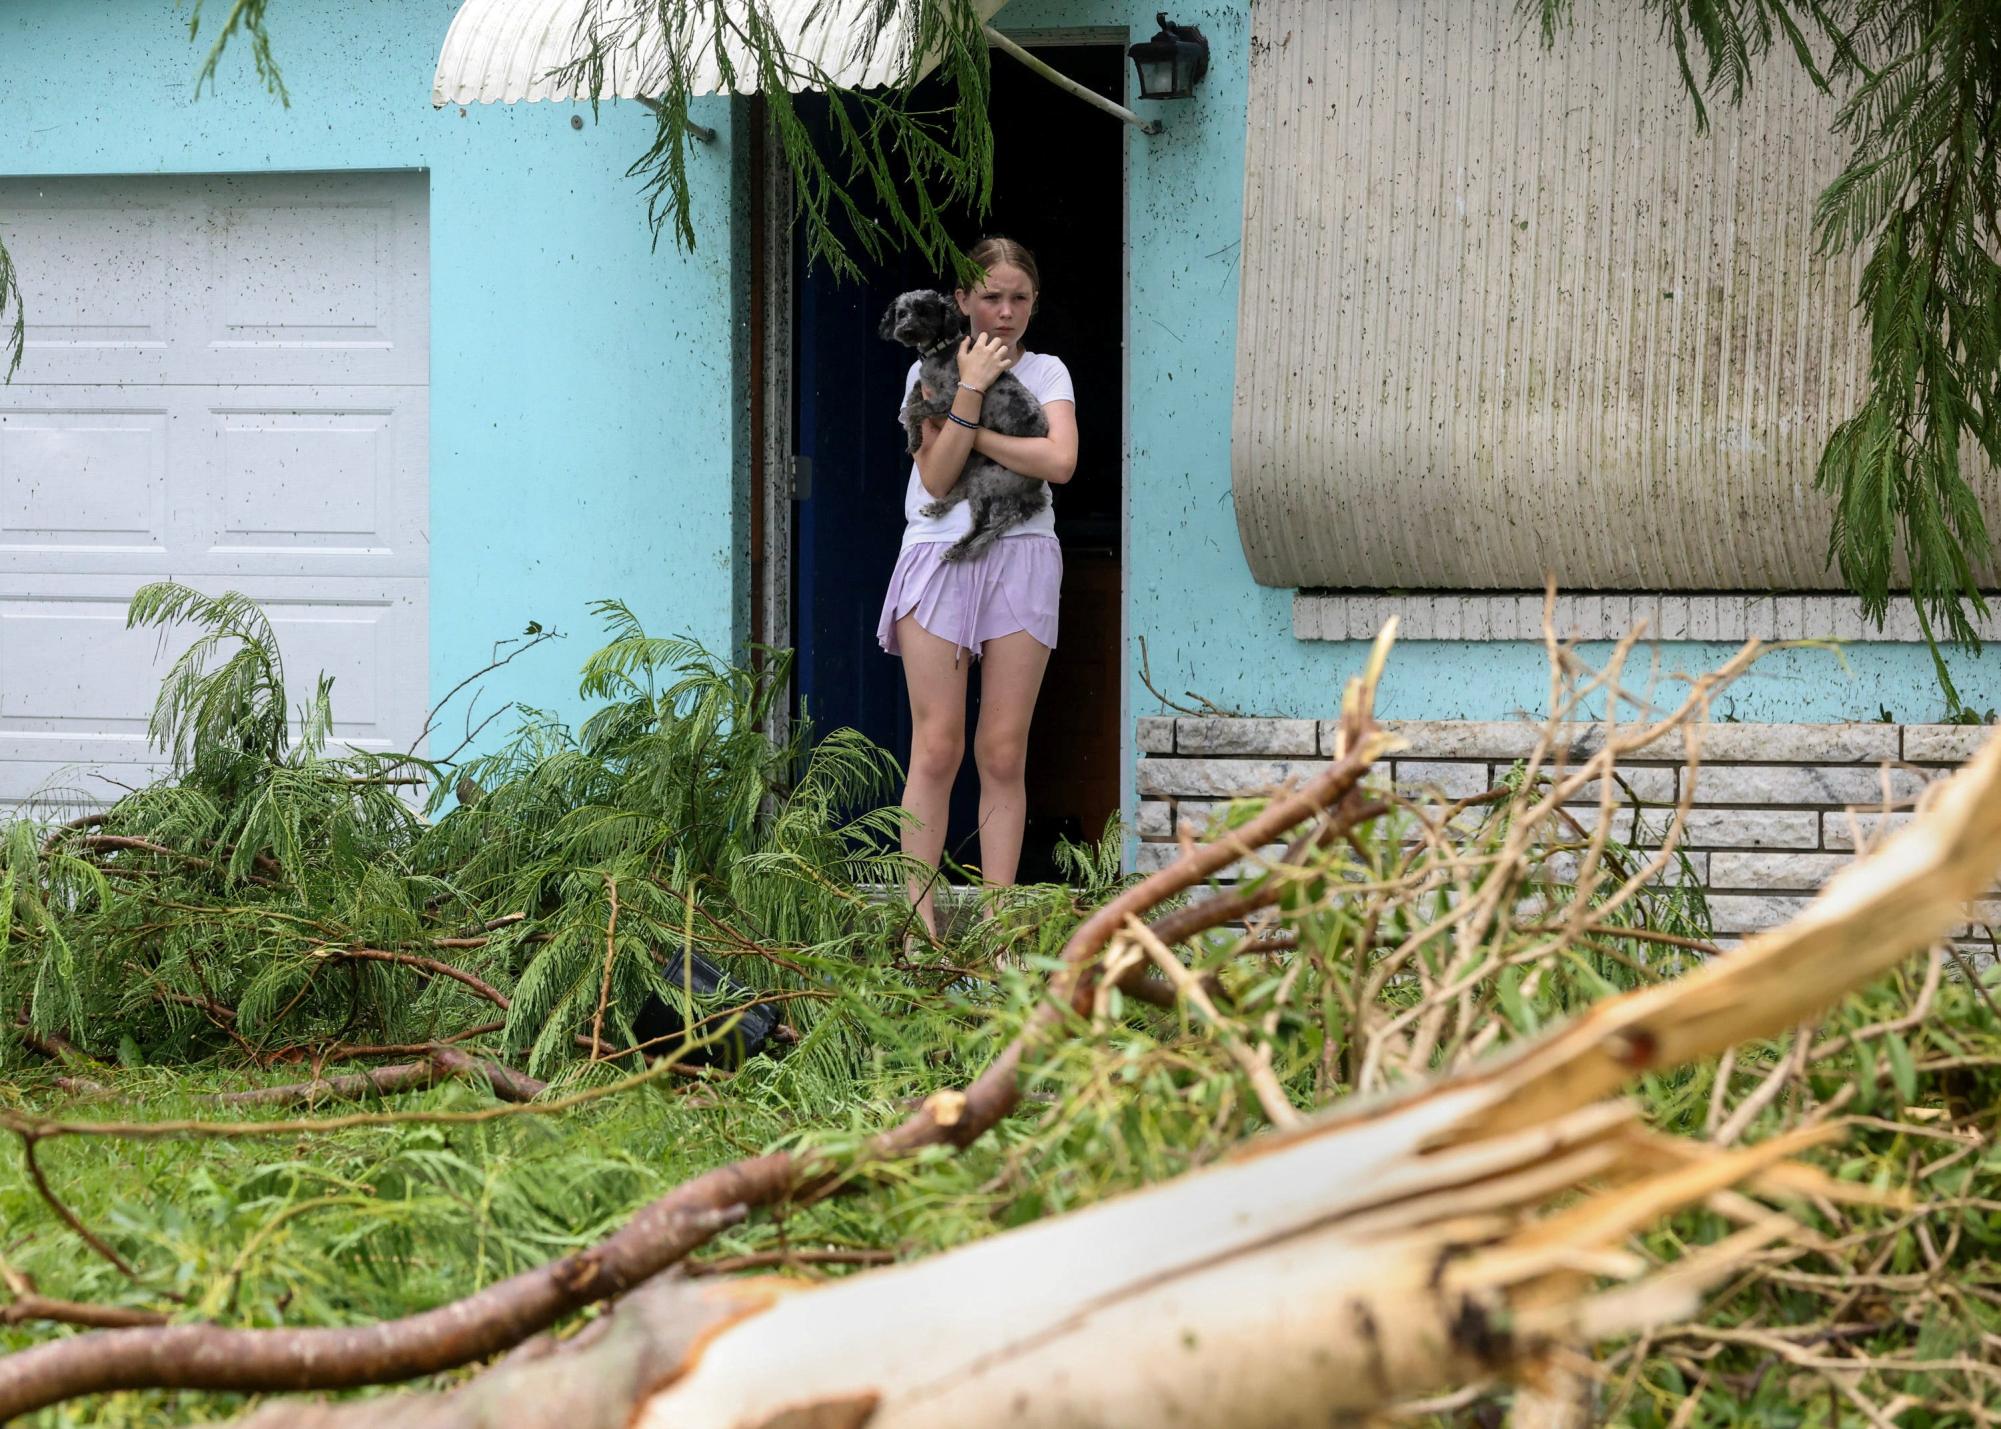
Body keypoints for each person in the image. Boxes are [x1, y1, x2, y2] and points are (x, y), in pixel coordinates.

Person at [874, 237, 1079, 939]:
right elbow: (934, 477)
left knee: (1001, 750)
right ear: (961, 300)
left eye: (1019, 298)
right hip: (939, 551)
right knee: (936, 745)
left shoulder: (1048, 372)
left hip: (1021, 552)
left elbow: (1058, 460)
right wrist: (970, 388)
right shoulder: (925, 372)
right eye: (990, 295)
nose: (1004, 311)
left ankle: (996, 928)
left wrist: (977, 432)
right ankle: (917, 924)